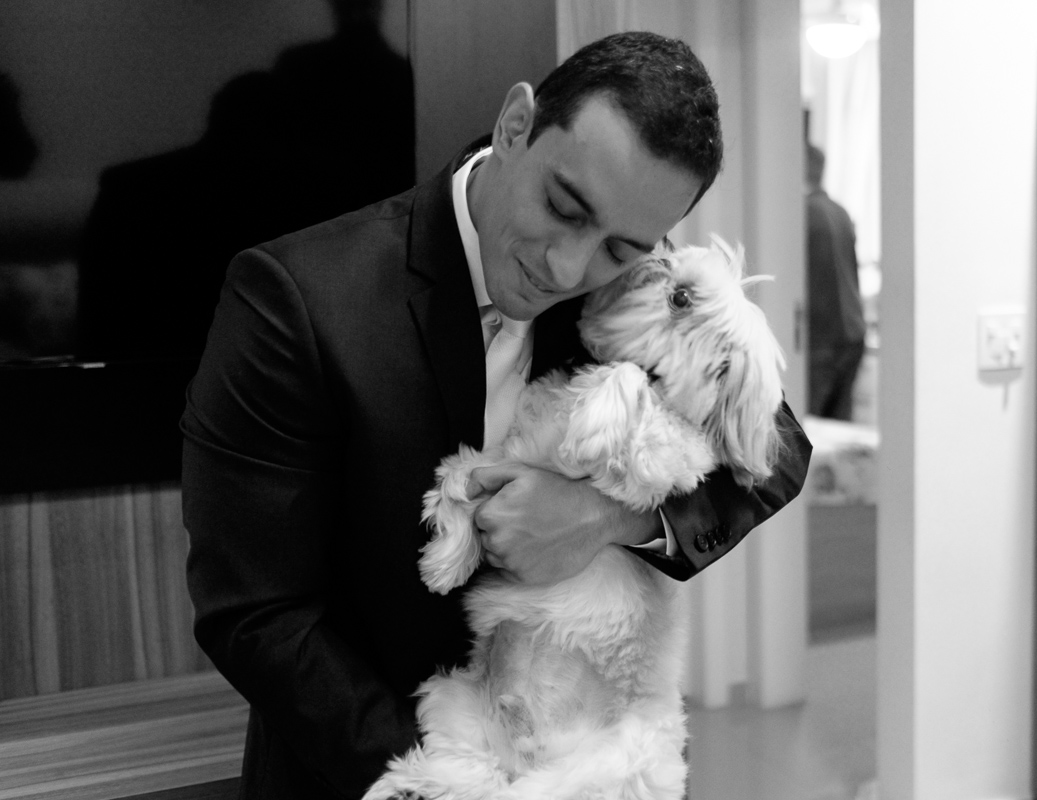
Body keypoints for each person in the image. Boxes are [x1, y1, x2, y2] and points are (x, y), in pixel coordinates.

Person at [181, 32, 811, 800]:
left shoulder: (636, 283)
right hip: (366, 770)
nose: (569, 270)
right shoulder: (293, 297)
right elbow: (255, 615)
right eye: (562, 207)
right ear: (515, 126)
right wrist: (455, 782)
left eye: (620, 247)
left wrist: (603, 518)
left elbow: (779, 452)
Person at [806, 142, 866, 421]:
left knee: (806, 435)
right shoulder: (840, 212)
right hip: (852, 334)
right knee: (839, 431)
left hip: (821, 340)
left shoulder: (802, 215)